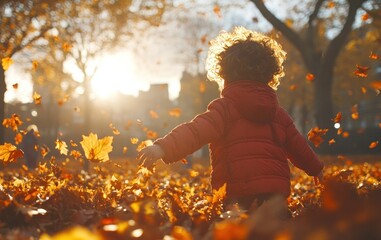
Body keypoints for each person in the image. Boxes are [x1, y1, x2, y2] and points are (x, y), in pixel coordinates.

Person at [137, 26, 324, 210]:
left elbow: (196, 131)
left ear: (224, 75)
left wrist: (164, 147)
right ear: (270, 74)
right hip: (275, 197)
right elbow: (298, 146)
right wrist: (316, 169)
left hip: (237, 196)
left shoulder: (225, 109)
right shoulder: (278, 114)